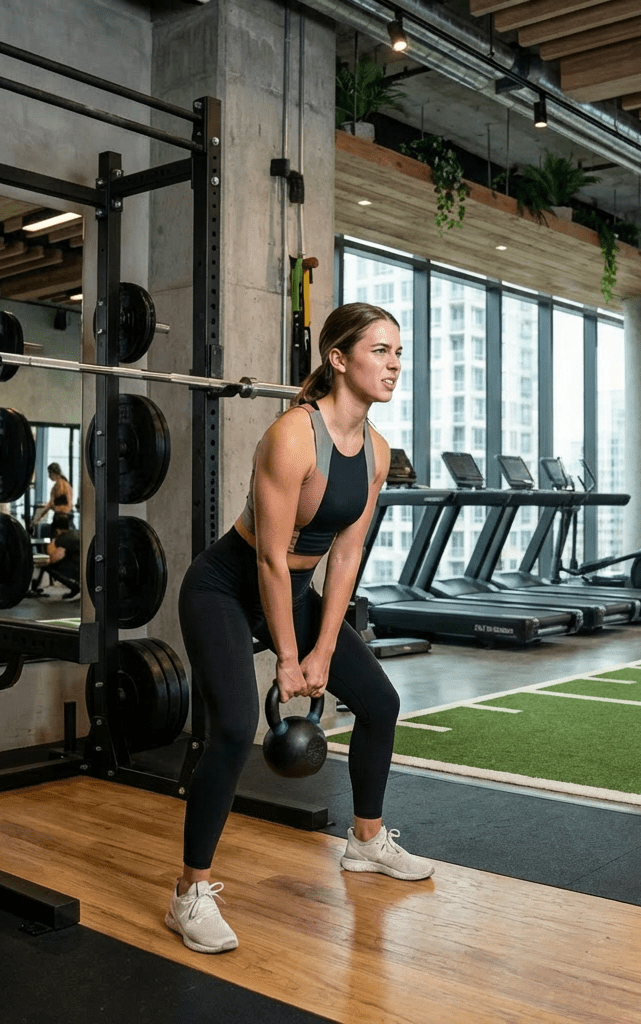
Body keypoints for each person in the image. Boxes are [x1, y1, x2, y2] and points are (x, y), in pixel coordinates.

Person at [165, 302, 433, 955]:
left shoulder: (375, 450)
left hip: (298, 587)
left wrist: (321, 649)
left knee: (380, 702)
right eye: (380, 350)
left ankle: (366, 840)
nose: (394, 363)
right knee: (232, 728)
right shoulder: (292, 435)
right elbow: (267, 558)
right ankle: (188, 893)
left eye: (398, 352)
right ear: (338, 359)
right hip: (225, 588)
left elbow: (345, 556)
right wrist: (290, 657)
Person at [32, 463, 75, 534]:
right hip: (67, 519)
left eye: (49, 473)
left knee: (56, 543)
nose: (49, 476)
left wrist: (36, 520)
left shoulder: (58, 486)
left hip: (60, 519)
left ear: (54, 473)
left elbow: (50, 505)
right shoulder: (67, 484)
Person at [45, 527, 81, 599]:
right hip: (86, 563)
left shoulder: (61, 540)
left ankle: (74, 587)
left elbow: (56, 557)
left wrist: (48, 561)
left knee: (48, 567)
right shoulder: (75, 533)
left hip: (77, 568)